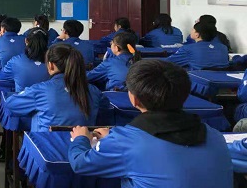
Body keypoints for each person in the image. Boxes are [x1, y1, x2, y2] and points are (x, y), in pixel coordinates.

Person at [68, 60, 233, 188]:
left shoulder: (126, 142)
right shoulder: (214, 135)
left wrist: (80, 139)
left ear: (134, 99)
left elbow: (80, 163)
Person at [4, 43, 106, 132]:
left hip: (47, 145)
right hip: (84, 145)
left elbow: (11, 104)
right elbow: (104, 114)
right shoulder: (94, 91)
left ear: (51, 65)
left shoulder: (40, 90)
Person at [1, 28, 50, 92]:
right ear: (47, 42)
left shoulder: (16, 61)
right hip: (47, 97)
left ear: (26, 41)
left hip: (22, 97)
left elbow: (3, 76)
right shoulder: (55, 63)